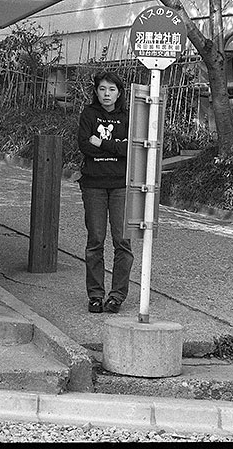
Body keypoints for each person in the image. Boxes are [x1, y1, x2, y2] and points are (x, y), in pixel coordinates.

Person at [77, 71, 132, 314]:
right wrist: (114, 148)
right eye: (102, 89)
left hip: (121, 185)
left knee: (122, 241)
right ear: (96, 91)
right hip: (93, 184)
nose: (106, 94)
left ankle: (117, 295)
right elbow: (84, 145)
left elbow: (131, 148)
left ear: (119, 92)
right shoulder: (89, 114)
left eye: (111, 89)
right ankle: (96, 295)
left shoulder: (127, 117)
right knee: (95, 240)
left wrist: (102, 143)